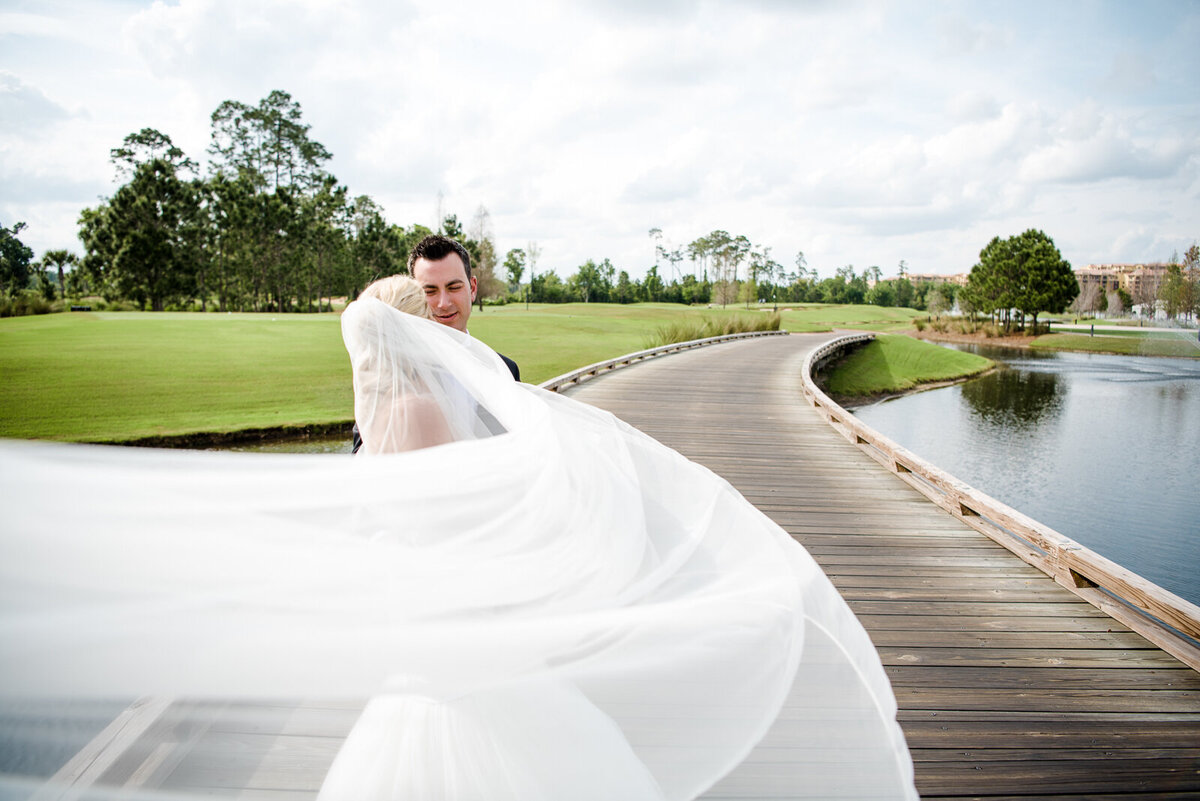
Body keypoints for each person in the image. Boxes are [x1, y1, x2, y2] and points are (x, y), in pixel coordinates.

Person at [0, 294, 918, 799]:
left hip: (438, 632)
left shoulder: (406, 413)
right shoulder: (430, 405)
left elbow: (410, 518)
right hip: (456, 631)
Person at [350, 235, 518, 453]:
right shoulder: (392, 376)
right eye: (429, 291)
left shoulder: (505, 369)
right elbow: (363, 451)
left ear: (473, 288)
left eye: (454, 287)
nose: (443, 303)